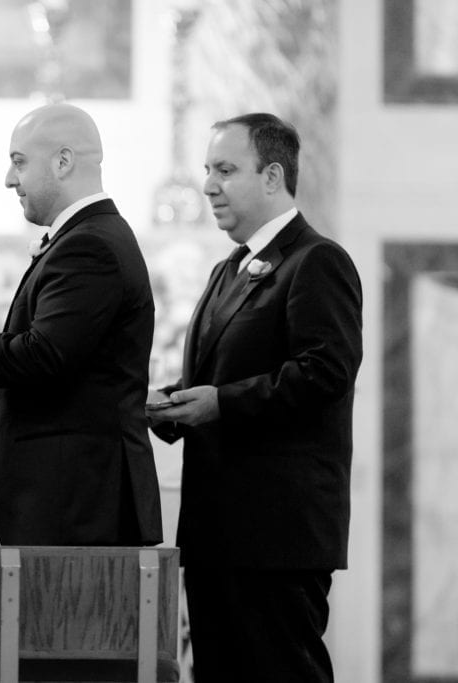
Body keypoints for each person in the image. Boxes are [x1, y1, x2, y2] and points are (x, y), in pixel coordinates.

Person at [147, 113, 362, 682]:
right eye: (207, 170)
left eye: (225, 169)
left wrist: (220, 403)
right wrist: (165, 404)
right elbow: (217, 373)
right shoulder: (228, 269)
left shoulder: (316, 261)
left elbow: (325, 372)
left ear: (272, 177)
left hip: (277, 534)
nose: (209, 185)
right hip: (219, 531)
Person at [0, 103, 163, 547]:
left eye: (19, 161)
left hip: (78, 503)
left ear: (62, 162)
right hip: (70, 498)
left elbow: (46, 354)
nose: (9, 179)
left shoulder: (90, 245)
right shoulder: (85, 238)